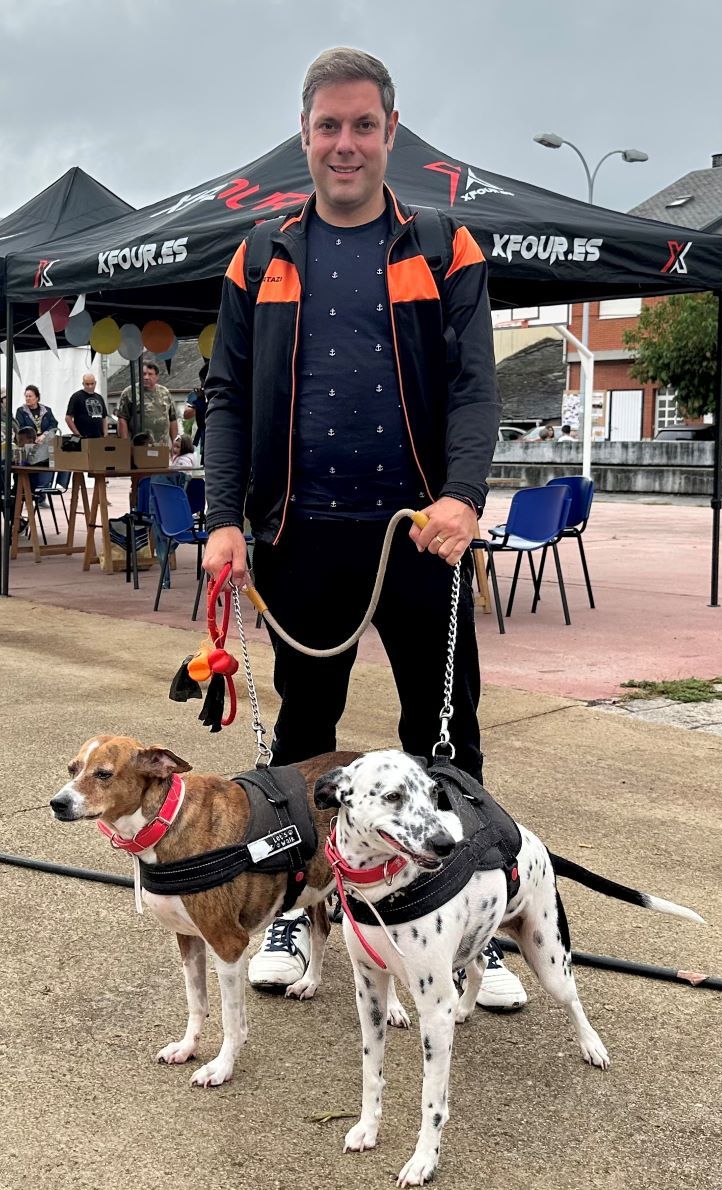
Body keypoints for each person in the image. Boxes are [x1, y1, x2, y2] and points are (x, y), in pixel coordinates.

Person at [203, 47, 524, 1010]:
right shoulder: (260, 256)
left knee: (444, 730)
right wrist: (225, 519)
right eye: (328, 127)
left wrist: (464, 495)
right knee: (305, 737)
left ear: (391, 132)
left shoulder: (442, 247)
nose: (345, 145)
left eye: (363, 126)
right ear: (305, 136)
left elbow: (475, 385)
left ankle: (472, 915)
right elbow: (224, 397)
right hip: (302, 536)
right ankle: (300, 908)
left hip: (420, 534)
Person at [118, 359, 179, 446]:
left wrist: (175, 443)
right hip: (138, 447)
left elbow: (173, 419)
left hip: (161, 447)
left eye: (150, 374)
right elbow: (122, 419)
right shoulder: (130, 393)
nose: (146, 377)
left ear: (157, 376)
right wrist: (125, 445)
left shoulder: (165, 393)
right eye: (143, 374)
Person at [66, 371, 110, 439]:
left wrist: (105, 434)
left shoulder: (99, 397)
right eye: (87, 384)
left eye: (92, 384)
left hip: (99, 437)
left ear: (95, 383)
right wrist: (78, 434)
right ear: (83, 384)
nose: (90, 386)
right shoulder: (76, 397)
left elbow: (104, 417)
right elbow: (68, 418)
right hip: (84, 437)